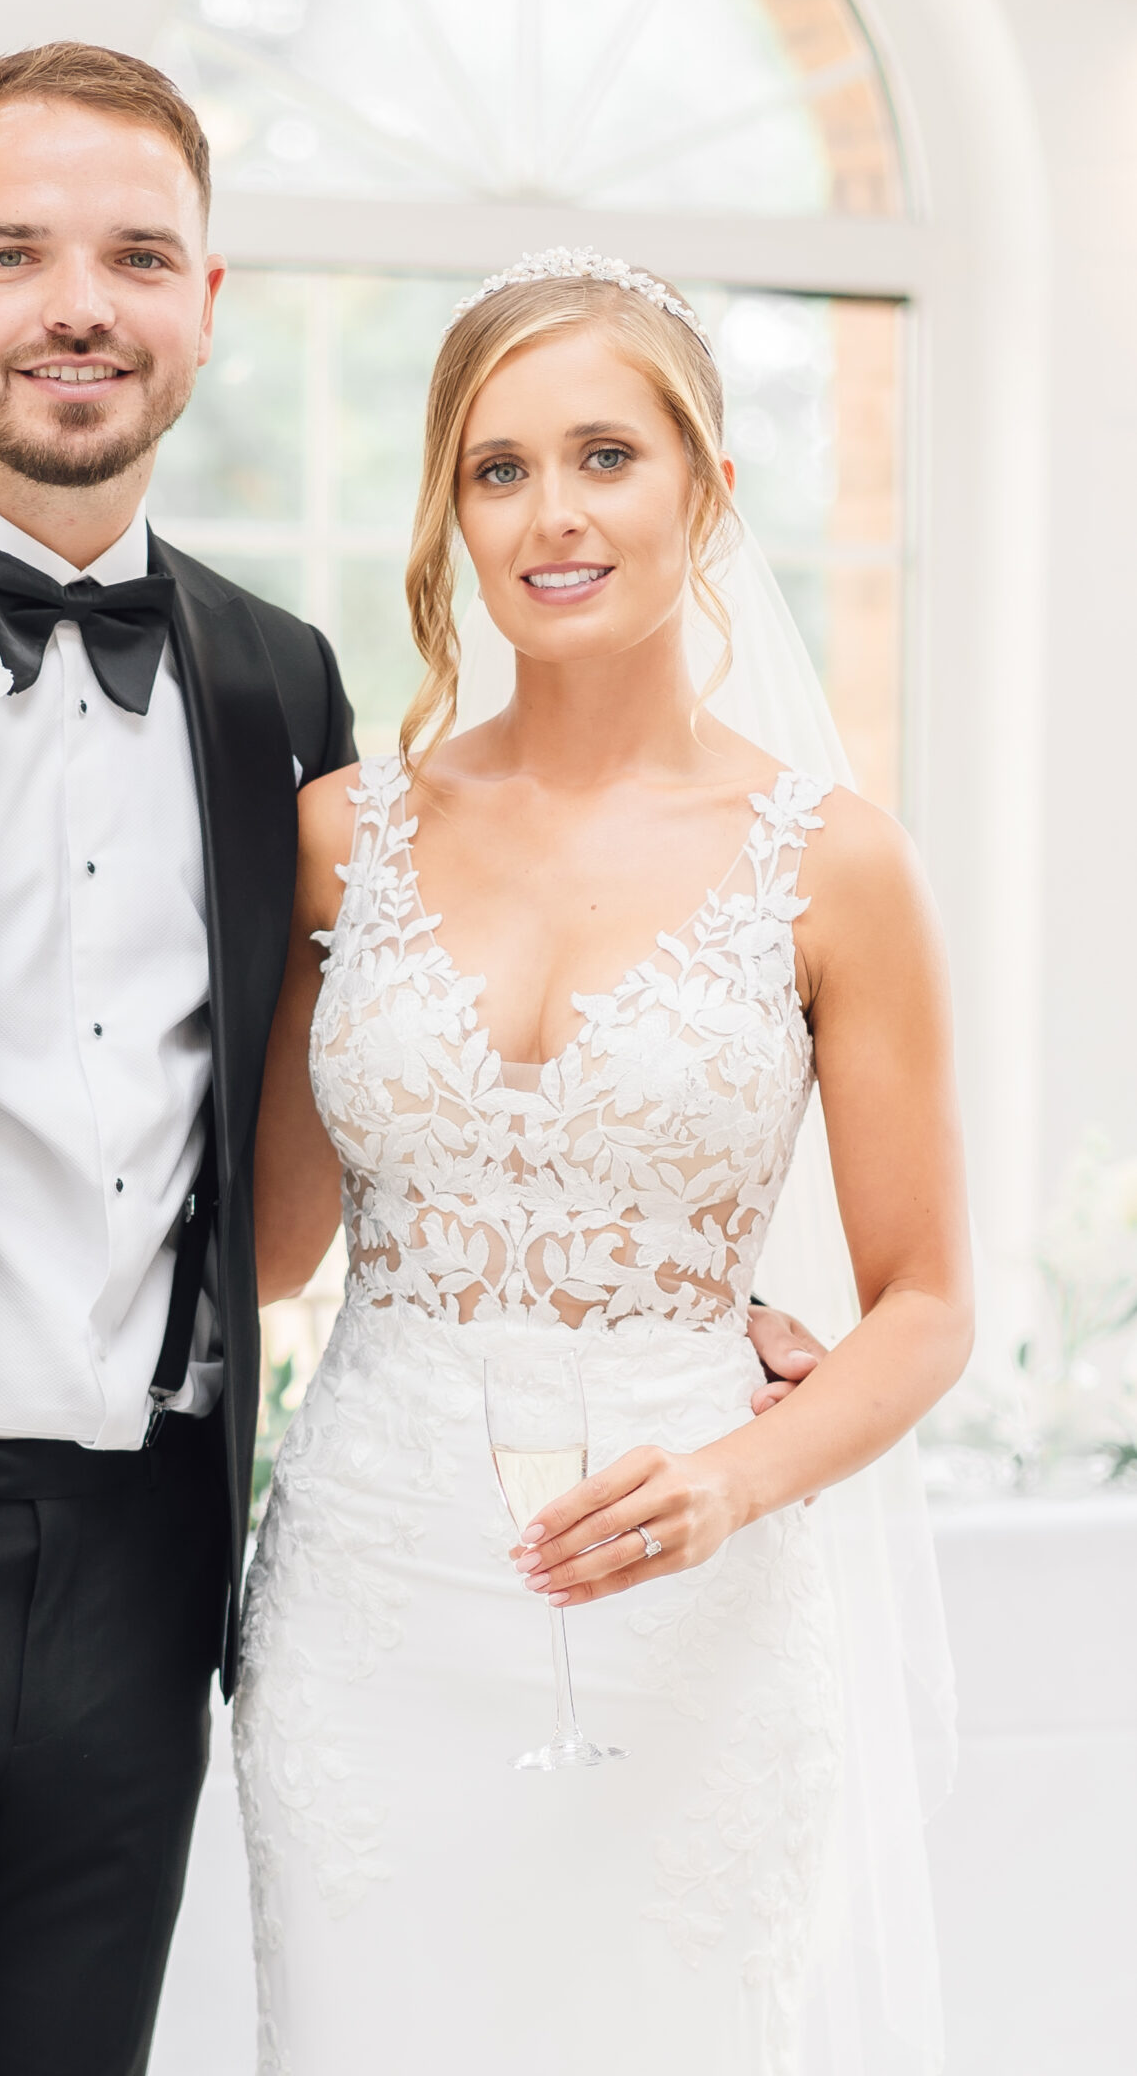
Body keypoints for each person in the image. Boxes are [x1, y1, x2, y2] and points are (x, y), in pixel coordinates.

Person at [0, 61, 821, 2075]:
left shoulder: (274, 684)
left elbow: (374, 1091)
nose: (75, 303)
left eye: (132, 254)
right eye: (10, 251)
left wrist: (664, 1284)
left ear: (207, 296)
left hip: (140, 1595)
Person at [239, 252, 973, 2076]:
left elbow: (927, 1304)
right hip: (374, 1593)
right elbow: (259, 1248)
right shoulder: (340, 843)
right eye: (495, 469)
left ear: (707, 491)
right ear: (449, 512)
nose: (548, 514)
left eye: (602, 456)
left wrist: (734, 1481)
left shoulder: (835, 865)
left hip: (685, 1606)